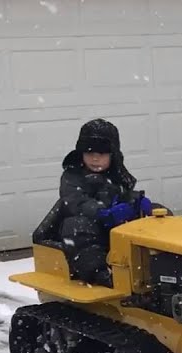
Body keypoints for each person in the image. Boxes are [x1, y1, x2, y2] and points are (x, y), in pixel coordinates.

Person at [54, 118, 157, 287]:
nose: (95, 159)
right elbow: (76, 202)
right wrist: (101, 213)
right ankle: (100, 273)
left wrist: (136, 201)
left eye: (101, 154)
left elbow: (124, 194)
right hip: (88, 230)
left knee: (158, 211)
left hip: (112, 229)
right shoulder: (72, 177)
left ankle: (156, 263)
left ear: (112, 154)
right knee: (77, 226)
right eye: (89, 154)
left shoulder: (116, 174)